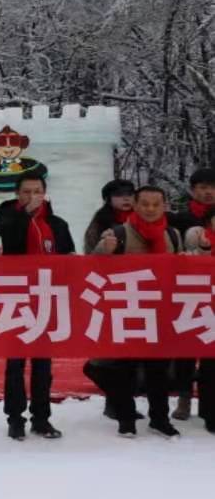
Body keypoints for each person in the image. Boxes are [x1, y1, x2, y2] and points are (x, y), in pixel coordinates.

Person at [92, 185, 183, 438]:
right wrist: (103, 251)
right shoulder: (119, 233)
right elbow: (92, 267)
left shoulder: (172, 235)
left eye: (156, 204)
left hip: (160, 311)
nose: (150, 209)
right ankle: (125, 418)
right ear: (135, 204)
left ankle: (159, 418)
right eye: (145, 204)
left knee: (158, 371)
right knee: (124, 368)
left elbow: (181, 272)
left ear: (164, 206)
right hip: (126, 309)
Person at [0, 175, 74, 440]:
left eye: (37, 191)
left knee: (43, 363)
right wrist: (26, 215)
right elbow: (11, 238)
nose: (32, 196)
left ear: (45, 192)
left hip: (47, 297)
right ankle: (15, 418)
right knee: (15, 363)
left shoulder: (57, 224)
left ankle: (41, 418)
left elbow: (68, 256)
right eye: (26, 192)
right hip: (17, 297)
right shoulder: (7, 217)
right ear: (17, 194)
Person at [168, 168, 215, 420]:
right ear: (193, 190)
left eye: (213, 187)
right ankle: (184, 398)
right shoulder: (180, 219)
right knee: (186, 348)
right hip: (187, 292)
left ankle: (209, 402)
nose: (208, 192)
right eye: (203, 187)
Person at [83, 179, 135, 254]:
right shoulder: (100, 220)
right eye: (119, 194)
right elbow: (90, 251)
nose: (126, 198)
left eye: (130, 194)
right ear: (109, 199)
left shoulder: (144, 216)